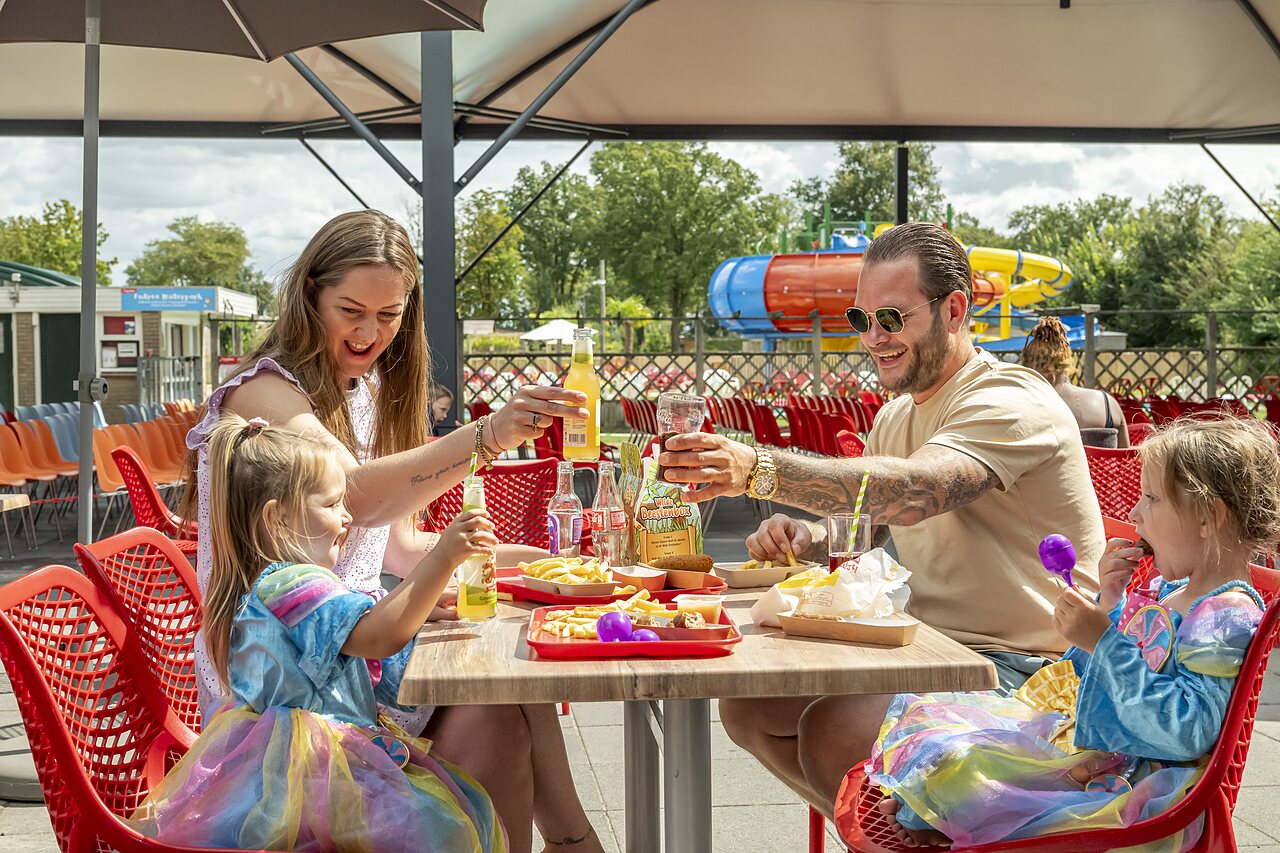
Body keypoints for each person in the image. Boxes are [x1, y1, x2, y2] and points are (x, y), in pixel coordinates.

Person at [183, 210, 602, 853]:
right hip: (287, 689)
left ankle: (571, 842)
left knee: (512, 675)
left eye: (389, 315)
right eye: (351, 309)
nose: (369, 332)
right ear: (309, 296)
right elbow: (357, 498)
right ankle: (572, 842)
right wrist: (488, 437)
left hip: (349, 648)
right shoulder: (266, 390)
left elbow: (400, 546)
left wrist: (541, 564)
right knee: (499, 704)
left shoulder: (367, 394)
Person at [658, 221, 1105, 816]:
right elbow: (874, 528)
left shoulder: (1008, 396)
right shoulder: (897, 415)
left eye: (891, 318)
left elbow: (918, 489)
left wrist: (760, 469)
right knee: (751, 706)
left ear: (954, 310)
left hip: (1030, 669)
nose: (873, 337)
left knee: (835, 729)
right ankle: (881, 830)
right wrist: (810, 538)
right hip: (926, 648)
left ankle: (894, 828)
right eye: (859, 320)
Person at [868, 415, 1279, 849]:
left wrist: (1103, 640)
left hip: (1132, 785)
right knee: (943, 731)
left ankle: (935, 813)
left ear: (1208, 517)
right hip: (1096, 751)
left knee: (963, 765)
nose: (1135, 513)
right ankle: (932, 808)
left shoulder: (1225, 614)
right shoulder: (1170, 590)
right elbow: (1088, 680)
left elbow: (1187, 732)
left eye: (1151, 499)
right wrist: (1108, 603)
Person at [134, 415, 508, 852]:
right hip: (304, 779)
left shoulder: (296, 588)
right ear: (277, 520)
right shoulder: (288, 584)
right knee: (437, 828)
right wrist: (442, 556)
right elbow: (376, 637)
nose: (348, 517)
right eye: (331, 505)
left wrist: (417, 612)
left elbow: (380, 663)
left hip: (309, 771)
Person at [1021, 315, 1130, 448]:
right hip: (1103, 469)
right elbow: (1126, 457)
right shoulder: (1108, 403)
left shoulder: (1027, 408)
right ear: (1068, 361)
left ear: (1028, 366)